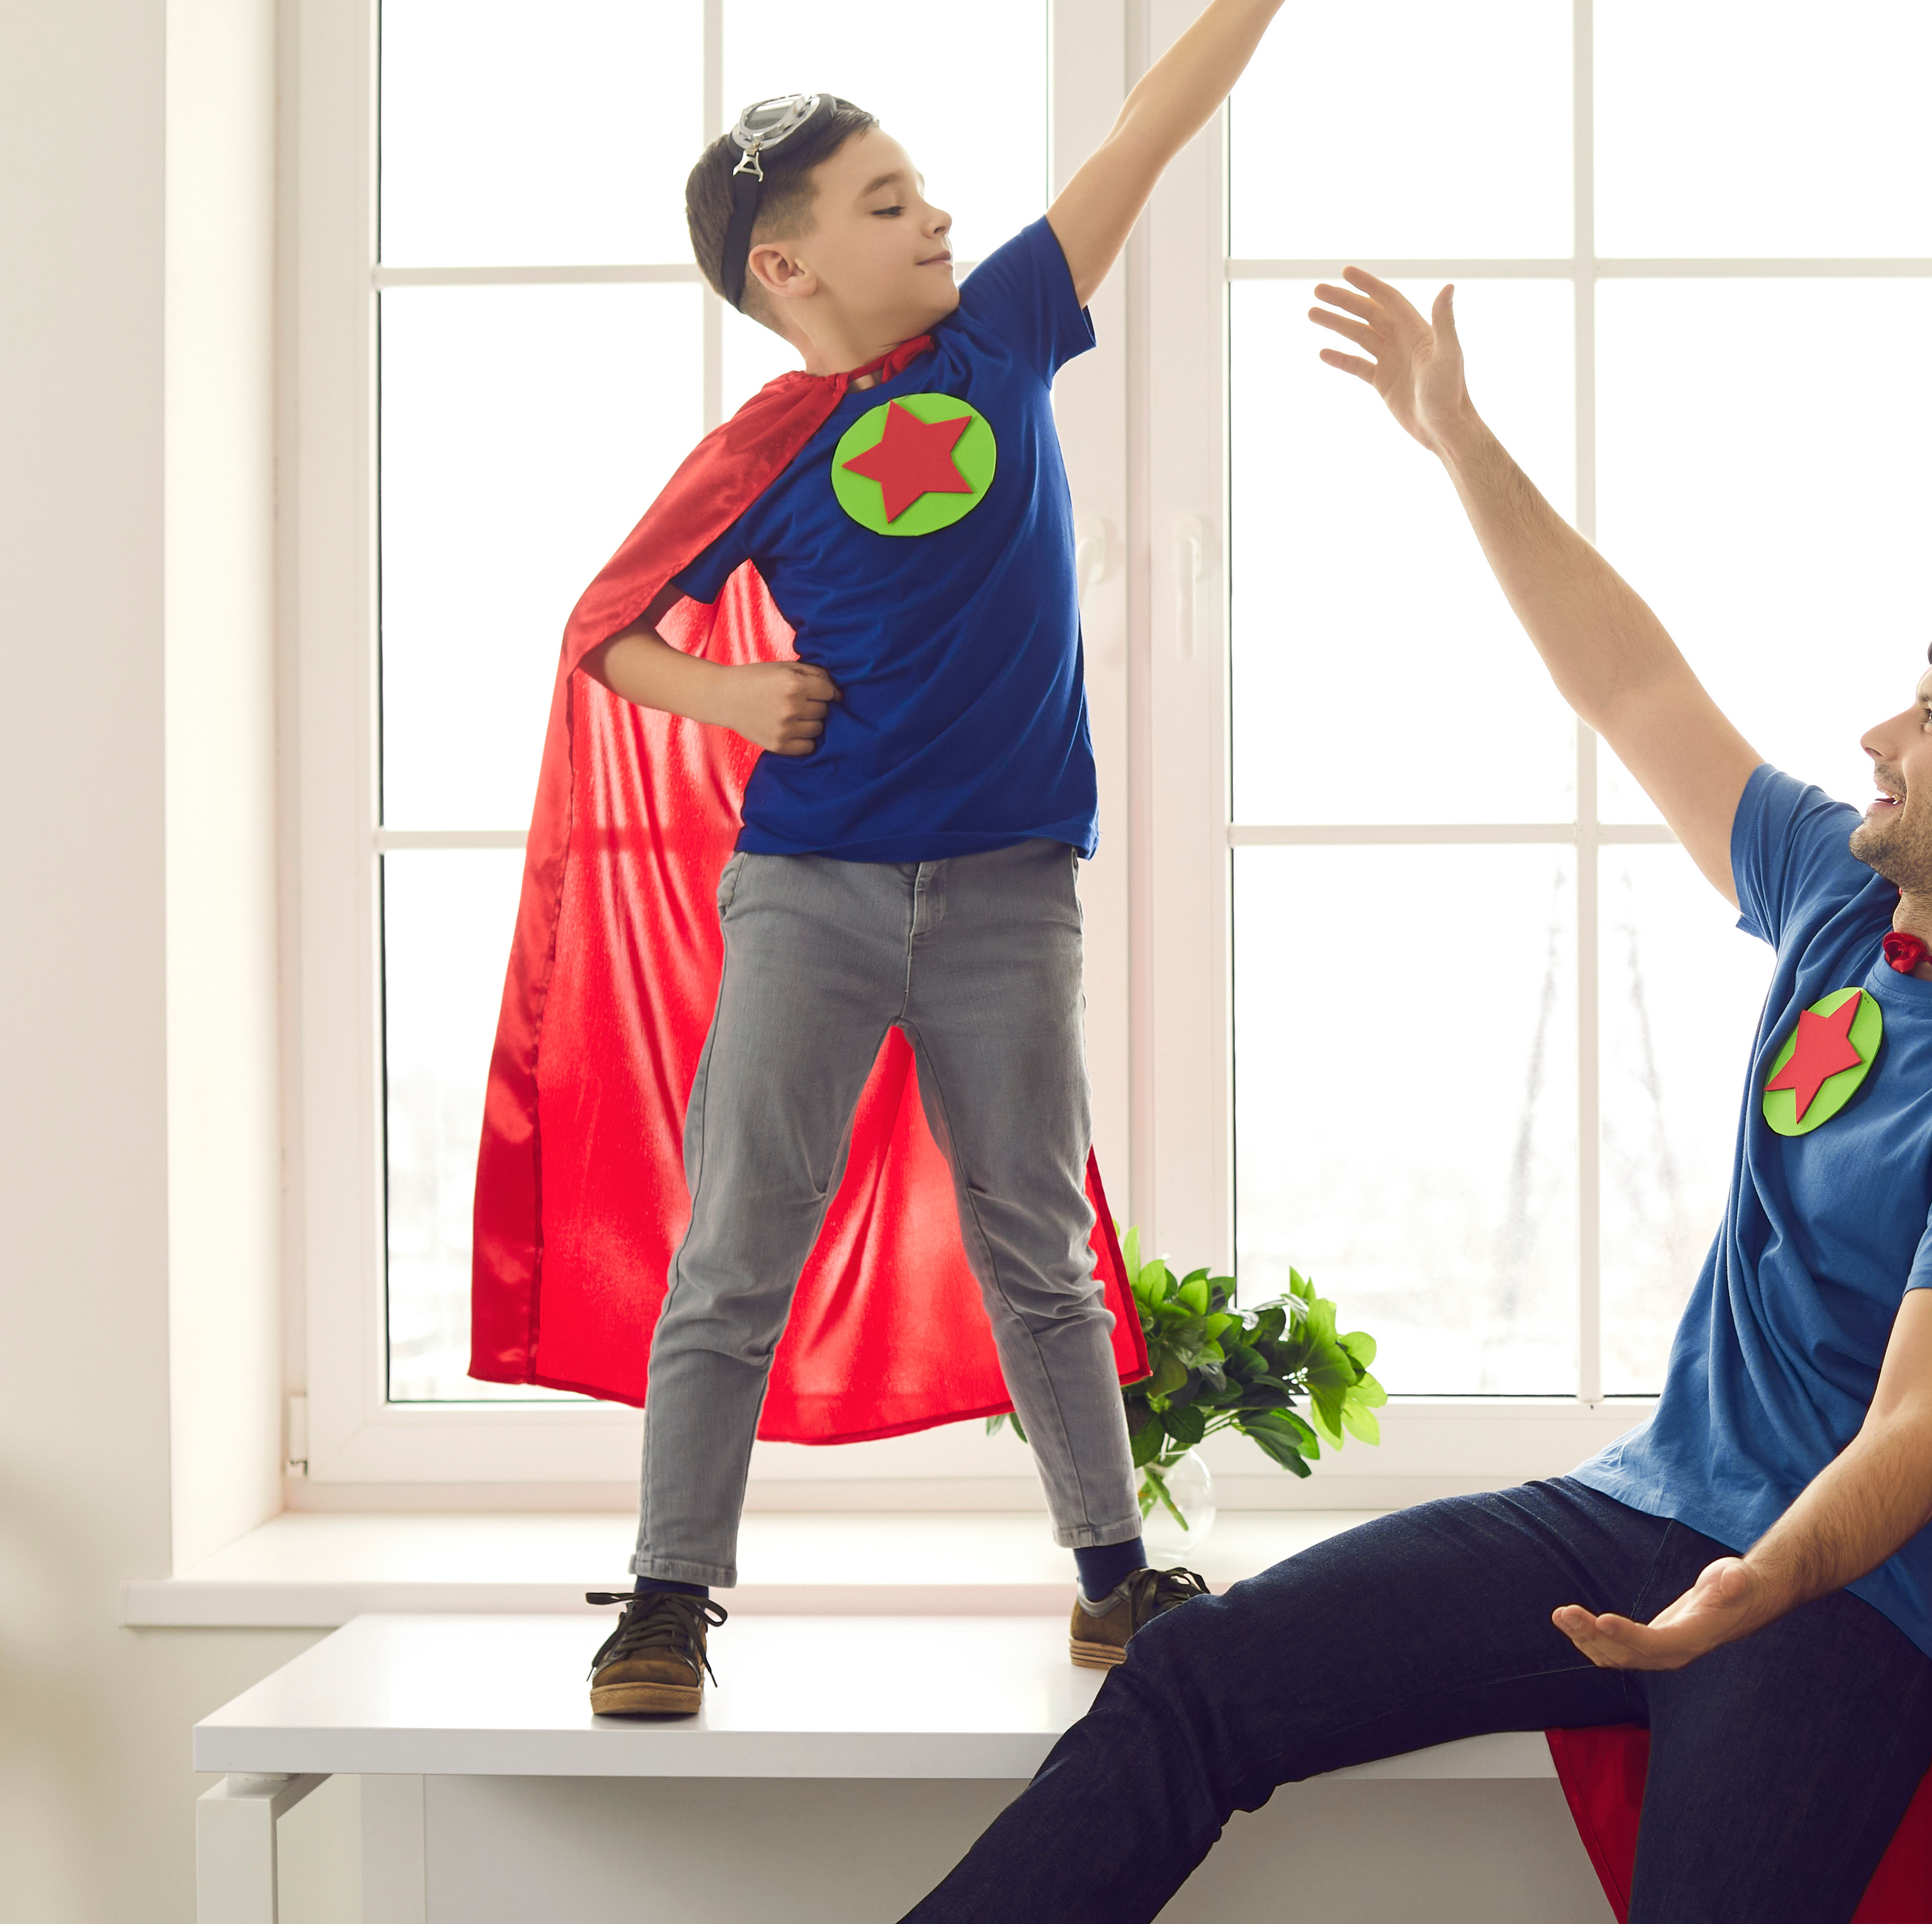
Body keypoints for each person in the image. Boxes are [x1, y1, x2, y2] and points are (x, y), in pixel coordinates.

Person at [896, 271, 1932, 1924]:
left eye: (1926, 725)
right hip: (1644, 1506)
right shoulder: (1840, 900)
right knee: (1197, 1680)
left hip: (1837, 1599)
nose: (1876, 737)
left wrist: (1752, 1588)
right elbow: (1632, 684)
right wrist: (1455, 433)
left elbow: (1918, 1443)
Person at [485, 0, 1292, 1720]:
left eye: (924, 189)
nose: (933, 216)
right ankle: (668, 1596)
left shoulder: (1002, 331)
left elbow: (1146, 132)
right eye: (884, 201)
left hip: (1010, 896)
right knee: (738, 1247)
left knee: (1039, 1242)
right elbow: (610, 631)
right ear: (788, 271)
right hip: (814, 897)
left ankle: (1111, 1576)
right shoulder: (762, 453)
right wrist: (732, 689)